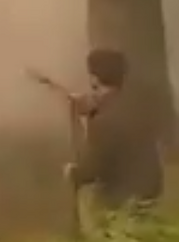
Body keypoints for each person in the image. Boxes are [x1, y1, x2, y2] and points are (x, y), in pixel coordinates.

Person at [63, 48, 164, 212]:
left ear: (95, 80)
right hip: (151, 197)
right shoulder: (137, 108)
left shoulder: (103, 123)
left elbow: (90, 171)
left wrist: (72, 172)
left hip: (121, 206)